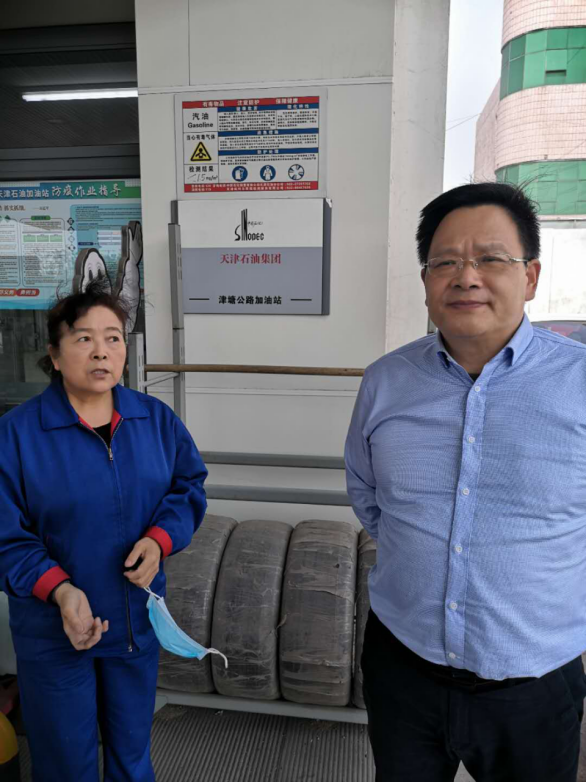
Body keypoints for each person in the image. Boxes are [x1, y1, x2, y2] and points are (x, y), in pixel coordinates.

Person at [345, 183, 585, 782]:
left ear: (530, 276)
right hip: (403, 664)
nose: (466, 277)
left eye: (490, 259)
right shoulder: (385, 382)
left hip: (532, 681)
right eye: (446, 262)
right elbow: (368, 496)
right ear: (426, 280)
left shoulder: (579, 383)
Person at [0, 279, 208, 782]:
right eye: (84, 338)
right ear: (54, 355)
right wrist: (60, 590)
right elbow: (5, 534)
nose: (101, 351)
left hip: (134, 621)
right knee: (65, 762)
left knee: (131, 756)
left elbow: (188, 488)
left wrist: (159, 541)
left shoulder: (155, 421)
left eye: (113, 338)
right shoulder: (17, 434)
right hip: (54, 629)